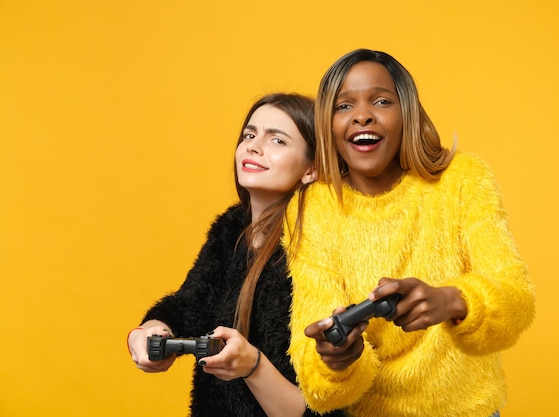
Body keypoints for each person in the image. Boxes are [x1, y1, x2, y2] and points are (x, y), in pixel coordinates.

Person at [283, 49, 536, 417]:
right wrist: (337, 359)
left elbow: (516, 301)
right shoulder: (312, 207)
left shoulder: (463, 180)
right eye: (343, 106)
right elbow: (317, 380)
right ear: (327, 124)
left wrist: (453, 301)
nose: (362, 115)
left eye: (382, 101)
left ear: (407, 113)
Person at [127, 93, 344, 417]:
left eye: (277, 140)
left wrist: (253, 366)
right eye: (250, 135)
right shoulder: (230, 229)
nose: (254, 146)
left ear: (311, 168)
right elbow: (191, 303)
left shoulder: (322, 246)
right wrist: (152, 329)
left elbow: (321, 406)